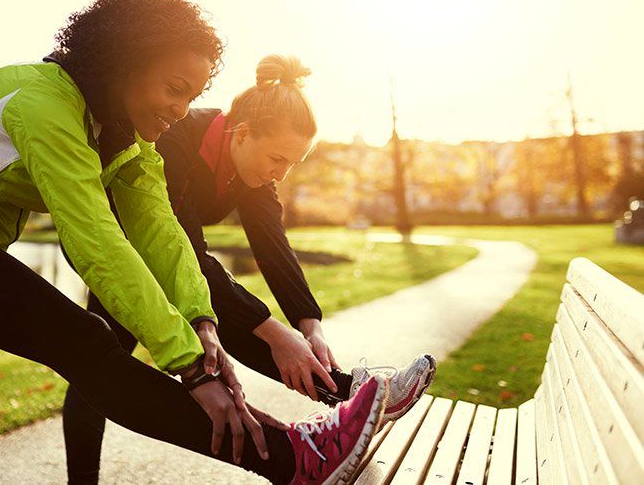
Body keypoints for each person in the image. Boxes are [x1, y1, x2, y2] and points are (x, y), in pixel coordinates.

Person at [0, 0, 391, 485]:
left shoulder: (125, 139)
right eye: (174, 89)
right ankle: (293, 456)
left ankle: (299, 451)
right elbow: (98, 241)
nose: (181, 110)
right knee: (83, 342)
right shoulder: (44, 106)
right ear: (122, 63)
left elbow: (163, 236)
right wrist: (189, 364)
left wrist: (201, 325)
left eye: (193, 95)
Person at [61, 55, 437, 483]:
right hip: (120, 249)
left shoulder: (252, 170)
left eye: (291, 165)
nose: (281, 172)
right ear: (241, 134)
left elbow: (272, 244)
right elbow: (181, 249)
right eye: (277, 159)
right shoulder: (178, 139)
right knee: (102, 359)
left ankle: (352, 394)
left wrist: (307, 322)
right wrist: (273, 330)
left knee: (232, 324)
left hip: (172, 255)